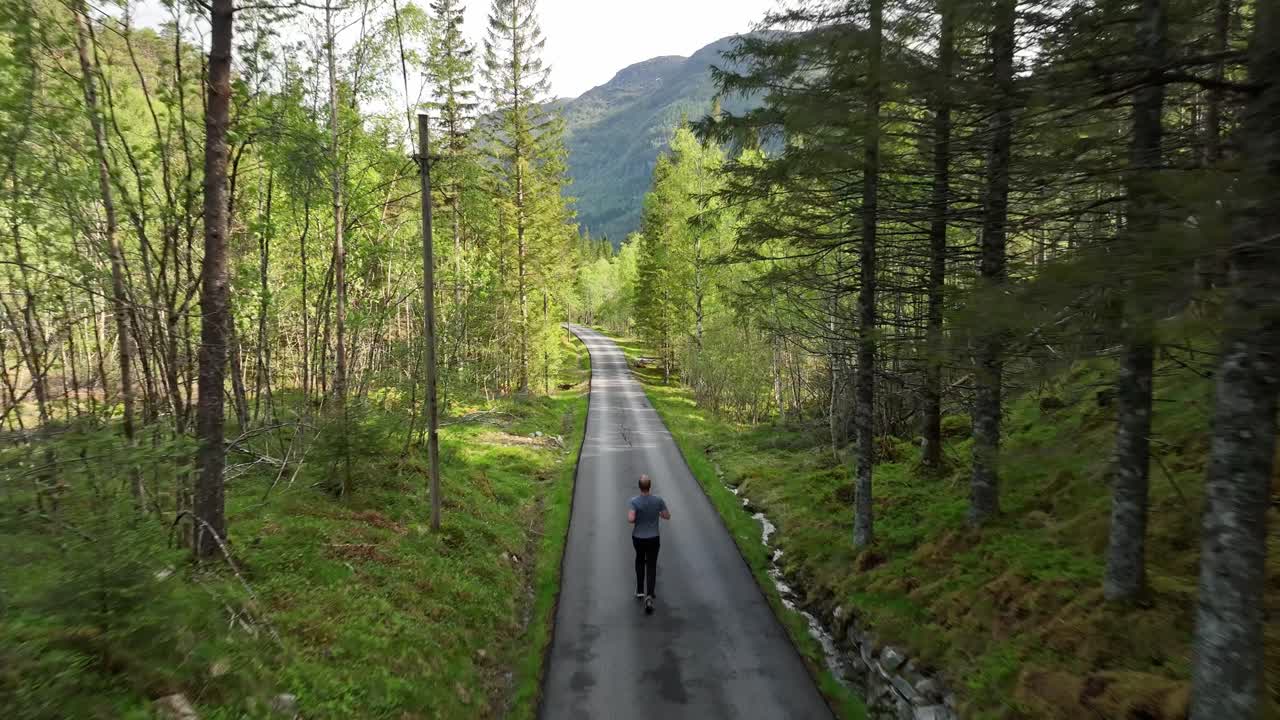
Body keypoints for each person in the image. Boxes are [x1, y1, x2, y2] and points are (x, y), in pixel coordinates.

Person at [628, 474, 670, 613]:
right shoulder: (658, 500)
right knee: (651, 565)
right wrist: (658, 513)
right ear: (649, 486)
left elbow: (631, 519)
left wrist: (638, 516)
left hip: (638, 538)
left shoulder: (634, 501)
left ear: (639, 487)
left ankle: (640, 590)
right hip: (653, 538)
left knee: (640, 560)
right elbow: (667, 516)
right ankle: (649, 596)